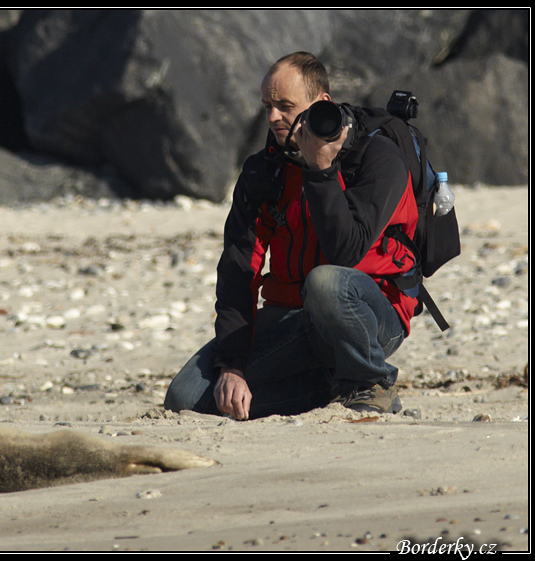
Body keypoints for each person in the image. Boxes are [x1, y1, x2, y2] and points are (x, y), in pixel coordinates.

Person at [164, 52, 419, 420]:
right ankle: (327, 388)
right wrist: (232, 366)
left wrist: (321, 169)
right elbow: (239, 270)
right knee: (185, 400)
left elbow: (346, 251)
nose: (271, 118)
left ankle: (371, 383)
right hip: (292, 318)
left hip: (371, 312)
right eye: (267, 105)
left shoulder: (377, 156)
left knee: (327, 283)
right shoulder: (265, 169)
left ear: (321, 104)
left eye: (284, 106)